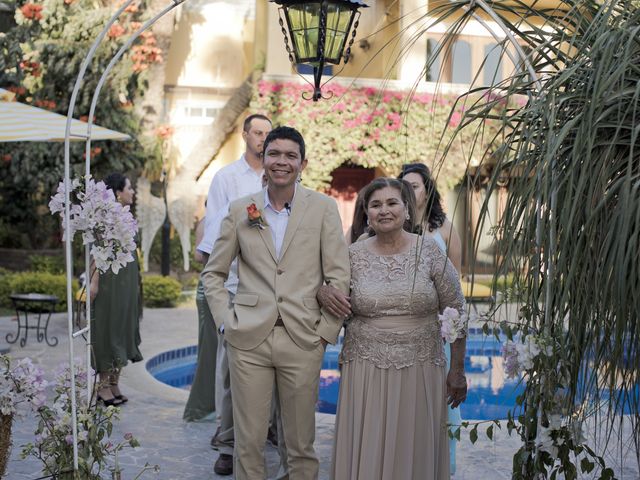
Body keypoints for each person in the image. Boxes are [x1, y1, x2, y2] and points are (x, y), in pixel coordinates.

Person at [202, 126, 350, 480]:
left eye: (290, 155)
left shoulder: (324, 208)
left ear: (302, 163)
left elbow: (338, 275)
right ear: (263, 160)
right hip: (248, 339)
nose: (281, 161)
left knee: (300, 445)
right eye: (274, 154)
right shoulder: (242, 209)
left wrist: (325, 334)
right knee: (249, 443)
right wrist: (226, 322)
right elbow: (213, 275)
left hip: (303, 339)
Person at [330, 177, 467, 480]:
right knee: (369, 443)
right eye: (375, 205)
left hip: (421, 369)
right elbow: (331, 300)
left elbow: (456, 311)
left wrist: (457, 370)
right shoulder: (351, 255)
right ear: (367, 213)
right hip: (365, 370)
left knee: (413, 443)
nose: (384, 210)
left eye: (392, 203)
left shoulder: (429, 252)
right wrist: (321, 292)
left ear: (407, 210)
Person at [197, 113, 273, 475]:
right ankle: (226, 442)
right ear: (245, 135)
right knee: (230, 370)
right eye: (256, 132)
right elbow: (214, 227)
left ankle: (266, 430)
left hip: (276, 292)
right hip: (235, 288)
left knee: (274, 365)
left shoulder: (282, 177)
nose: (261, 139)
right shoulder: (227, 178)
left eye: (266, 134)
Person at [399, 163, 463, 473]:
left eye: (415, 185)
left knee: (438, 405)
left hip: (437, 331)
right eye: (404, 185)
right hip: (400, 329)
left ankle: (439, 468)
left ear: (428, 191)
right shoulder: (394, 227)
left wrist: (448, 330)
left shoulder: (445, 229)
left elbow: (456, 289)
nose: (409, 191)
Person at [90, 173, 142, 406]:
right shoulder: (105, 217)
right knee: (107, 330)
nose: (132, 192)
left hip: (128, 280)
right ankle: (102, 387)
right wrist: (93, 282)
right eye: (129, 188)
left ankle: (114, 383)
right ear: (118, 193)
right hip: (111, 281)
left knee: (123, 328)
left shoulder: (127, 216)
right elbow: (96, 251)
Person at [182, 212, 218, 421]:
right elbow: (197, 254)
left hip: (221, 286)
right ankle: (200, 406)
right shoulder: (206, 221)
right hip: (207, 286)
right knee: (207, 347)